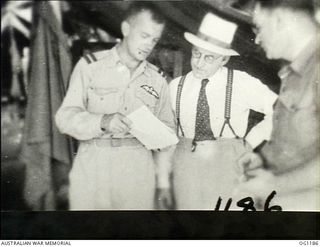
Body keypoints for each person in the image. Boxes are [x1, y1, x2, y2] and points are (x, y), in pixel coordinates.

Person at [55, 3, 175, 210]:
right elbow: (64, 118)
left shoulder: (158, 79)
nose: (149, 45)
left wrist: (163, 183)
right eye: (144, 36)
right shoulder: (90, 66)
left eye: (154, 40)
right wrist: (101, 121)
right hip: (93, 166)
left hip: (137, 171)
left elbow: (168, 136)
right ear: (126, 29)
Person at [165, 13, 277, 209]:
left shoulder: (241, 82)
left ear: (224, 60)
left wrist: (251, 142)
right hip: (185, 164)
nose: (199, 63)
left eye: (209, 58)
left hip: (228, 161)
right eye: (196, 54)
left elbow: (280, 109)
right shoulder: (176, 86)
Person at [235, 0, 320, 211]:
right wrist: (262, 159)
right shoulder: (294, 72)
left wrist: (274, 185)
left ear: (279, 19)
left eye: (259, 28)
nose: (257, 40)